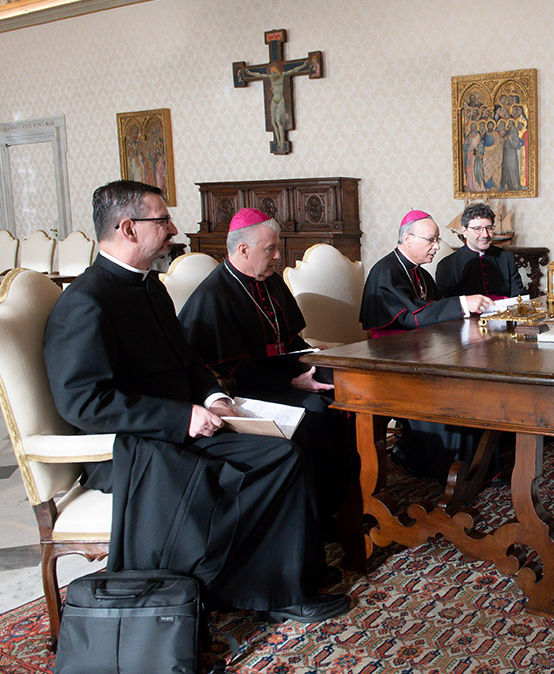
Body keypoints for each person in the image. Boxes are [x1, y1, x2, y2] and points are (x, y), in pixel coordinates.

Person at [44, 180, 348, 623]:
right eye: (163, 220)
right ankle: (272, 590)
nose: (173, 229)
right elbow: (84, 404)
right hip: (136, 446)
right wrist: (181, 416)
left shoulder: (149, 288)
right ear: (129, 228)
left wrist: (215, 396)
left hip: (179, 428)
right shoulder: (86, 302)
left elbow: (189, 362)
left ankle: (290, 574)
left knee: (289, 446)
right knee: (276, 460)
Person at [177, 207, 359, 525]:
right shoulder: (213, 296)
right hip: (245, 390)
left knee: (347, 389)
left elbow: (290, 342)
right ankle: (318, 514)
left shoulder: (269, 281)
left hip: (283, 375)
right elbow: (227, 370)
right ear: (243, 249)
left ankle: (353, 498)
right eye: (270, 249)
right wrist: (291, 383)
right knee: (316, 413)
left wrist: (314, 357)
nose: (277, 256)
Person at [359, 209, 493, 482]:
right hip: (393, 358)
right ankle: (440, 466)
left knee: (475, 380)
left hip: (423, 352)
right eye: (431, 240)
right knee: (453, 393)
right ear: (408, 239)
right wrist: (462, 303)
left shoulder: (421, 274)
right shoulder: (385, 273)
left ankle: (477, 465)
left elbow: (433, 312)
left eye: (437, 240)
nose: (436, 247)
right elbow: (412, 317)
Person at [436, 202, 526, 299]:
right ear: (464, 231)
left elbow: (519, 297)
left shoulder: (506, 257)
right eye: (477, 229)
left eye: (489, 228)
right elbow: (449, 305)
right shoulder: (447, 265)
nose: (485, 235)